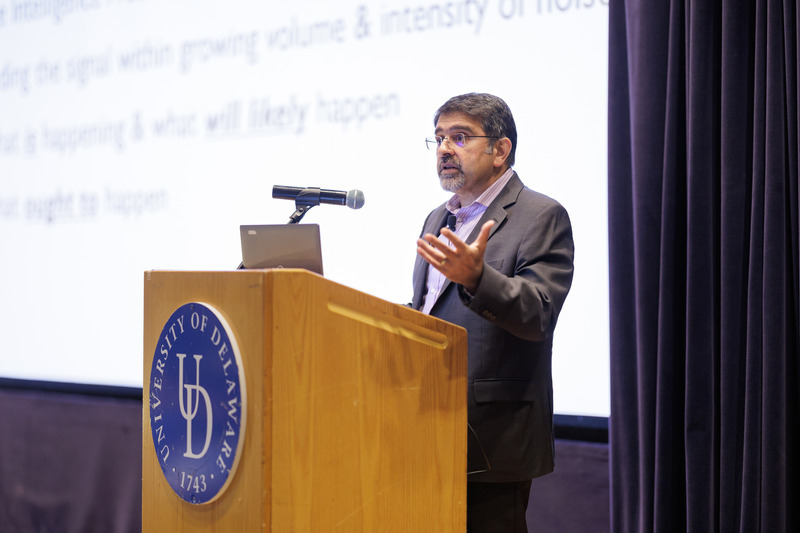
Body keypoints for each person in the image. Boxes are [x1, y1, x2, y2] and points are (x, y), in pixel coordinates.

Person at [411, 93, 574, 532]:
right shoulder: (437, 219)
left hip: (491, 436)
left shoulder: (540, 216)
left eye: (460, 137)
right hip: (425, 427)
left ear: (500, 150)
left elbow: (539, 313)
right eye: (440, 138)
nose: (445, 148)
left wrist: (478, 279)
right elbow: (428, 312)